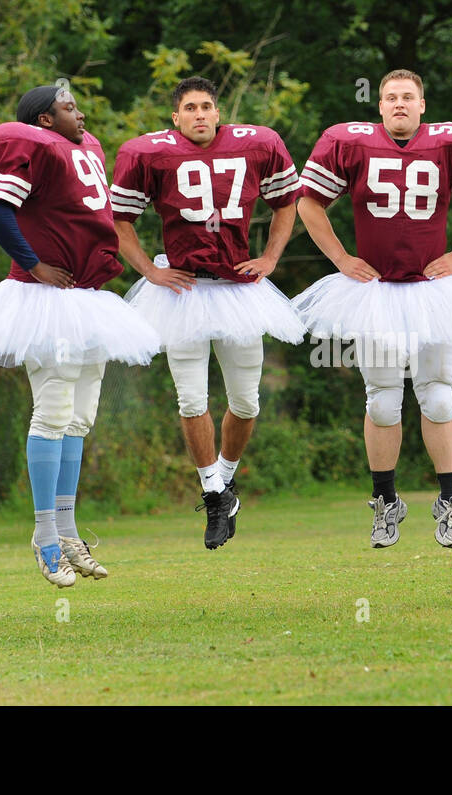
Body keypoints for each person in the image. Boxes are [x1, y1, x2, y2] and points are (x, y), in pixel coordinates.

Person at [295, 69, 452, 550]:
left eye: (408, 97)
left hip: (433, 288)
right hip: (375, 288)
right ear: (378, 107)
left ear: (423, 105)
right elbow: (309, 202)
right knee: (381, 399)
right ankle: (385, 501)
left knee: (438, 396)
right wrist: (340, 258)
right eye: (390, 97)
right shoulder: (348, 142)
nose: (399, 104)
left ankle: (451, 502)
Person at [0, 85, 162, 587]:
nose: (82, 113)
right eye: (69, 107)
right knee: (51, 412)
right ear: (44, 120)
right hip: (43, 298)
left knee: (79, 417)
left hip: (85, 296)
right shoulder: (34, 146)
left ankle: (68, 530)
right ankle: (45, 535)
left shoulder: (84, 147)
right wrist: (32, 263)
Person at [112, 76, 305, 549]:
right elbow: (118, 221)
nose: (200, 114)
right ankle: (213, 497)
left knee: (246, 403)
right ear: (175, 118)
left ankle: (226, 477)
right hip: (182, 288)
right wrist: (149, 272)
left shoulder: (258, 144)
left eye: (207, 106)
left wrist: (271, 259)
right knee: (191, 400)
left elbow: (287, 203)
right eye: (190, 108)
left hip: (238, 287)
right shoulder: (148, 153)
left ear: (218, 113)